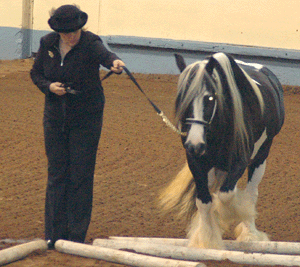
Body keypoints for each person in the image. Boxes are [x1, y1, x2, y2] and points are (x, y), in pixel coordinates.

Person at [30, 4, 125, 249]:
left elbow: (106, 56)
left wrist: (115, 62)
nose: (72, 36)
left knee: (81, 176)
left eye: (76, 31)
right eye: (67, 32)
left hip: (86, 118)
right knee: (57, 174)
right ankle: (53, 233)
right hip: (54, 118)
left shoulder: (91, 43)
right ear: (59, 31)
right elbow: (36, 74)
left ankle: (75, 237)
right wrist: (49, 87)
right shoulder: (47, 43)